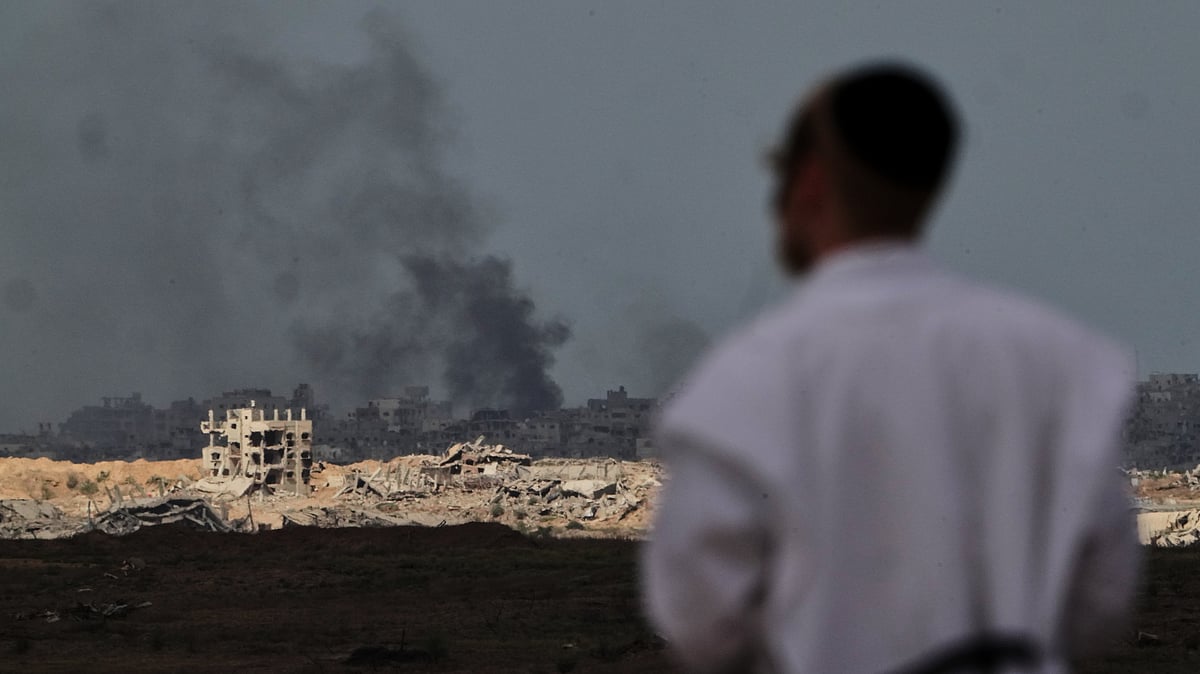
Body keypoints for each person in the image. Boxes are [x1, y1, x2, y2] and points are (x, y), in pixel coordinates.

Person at [641, 63, 1139, 674]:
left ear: (810, 183)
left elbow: (701, 619)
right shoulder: (1061, 363)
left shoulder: (745, 381)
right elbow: (1103, 596)